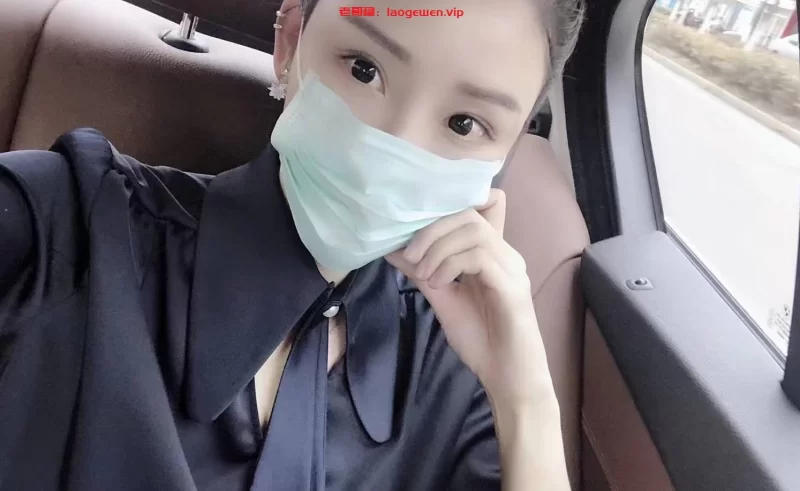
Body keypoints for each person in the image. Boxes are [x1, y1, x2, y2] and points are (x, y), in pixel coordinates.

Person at [0, 0, 584, 489]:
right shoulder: (62, 222)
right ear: (291, 41)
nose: (390, 146)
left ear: (504, 156)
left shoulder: (460, 371)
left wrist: (527, 400)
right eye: (363, 69)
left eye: (464, 124)